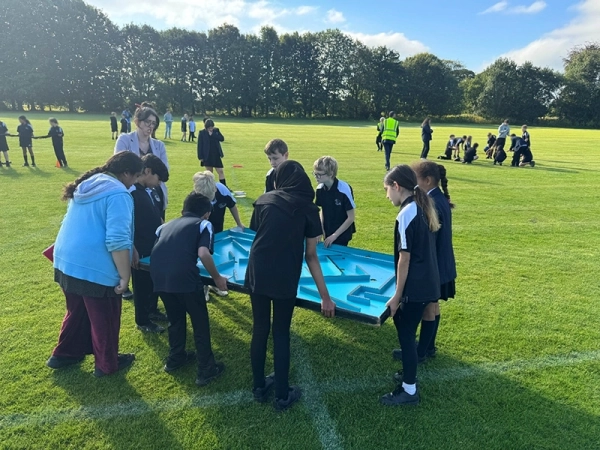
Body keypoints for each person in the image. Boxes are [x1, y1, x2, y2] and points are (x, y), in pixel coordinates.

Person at [246, 160, 335, 412]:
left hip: (257, 271)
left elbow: (259, 236)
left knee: (260, 328)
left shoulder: (263, 200)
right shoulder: (308, 208)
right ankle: (283, 395)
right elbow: (311, 255)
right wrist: (325, 297)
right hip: (284, 274)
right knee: (281, 332)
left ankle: (258, 387)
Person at [46, 152, 142, 377]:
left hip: (66, 261)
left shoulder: (88, 184)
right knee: (105, 317)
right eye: (135, 176)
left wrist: (132, 247)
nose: (135, 182)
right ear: (125, 173)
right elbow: (117, 240)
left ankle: (64, 354)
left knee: (76, 311)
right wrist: (124, 276)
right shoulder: (118, 193)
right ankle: (106, 364)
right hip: (93, 267)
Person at [150, 192, 228, 386]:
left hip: (159, 277)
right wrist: (217, 278)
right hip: (185, 279)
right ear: (207, 213)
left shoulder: (164, 226)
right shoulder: (203, 224)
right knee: (199, 322)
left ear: (183, 210)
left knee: (175, 319)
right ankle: (206, 369)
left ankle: (175, 358)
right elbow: (203, 253)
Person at [380, 164, 440, 406]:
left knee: (405, 334)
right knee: (405, 330)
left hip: (416, 287)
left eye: (387, 189)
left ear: (397, 186)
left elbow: (405, 258)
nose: (386, 195)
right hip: (428, 282)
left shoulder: (406, 213)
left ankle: (409, 390)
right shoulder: (420, 206)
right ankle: (408, 377)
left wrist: (397, 296)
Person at [396, 161, 456, 363]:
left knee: (430, 308)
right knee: (432, 307)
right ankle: (426, 347)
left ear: (427, 181)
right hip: (440, 263)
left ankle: (422, 351)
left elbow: (431, 239)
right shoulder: (438, 198)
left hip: (436, 264)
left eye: (416, 180)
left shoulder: (434, 202)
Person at [131, 154, 170, 333]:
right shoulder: (131, 193)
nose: (158, 183)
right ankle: (143, 320)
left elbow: (157, 214)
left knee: (153, 281)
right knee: (141, 285)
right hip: (140, 247)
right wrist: (133, 248)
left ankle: (152, 310)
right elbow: (127, 224)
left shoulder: (149, 190)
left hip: (153, 245)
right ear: (147, 171)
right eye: (158, 179)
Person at [114, 105, 170, 218]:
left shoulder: (159, 145)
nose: (150, 126)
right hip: (132, 192)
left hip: (155, 193)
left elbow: (164, 170)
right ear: (137, 122)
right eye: (147, 122)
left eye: (153, 123)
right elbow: (119, 165)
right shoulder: (124, 140)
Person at [313, 156, 356, 247]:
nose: (316, 177)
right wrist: (321, 229)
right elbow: (323, 210)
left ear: (331, 174)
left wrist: (335, 235)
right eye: (315, 173)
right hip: (327, 230)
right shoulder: (320, 189)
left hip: (342, 233)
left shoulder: (344, 190)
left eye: (319, 174)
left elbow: (351, 217)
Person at [197, 119, 226, 186]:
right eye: (209, 128)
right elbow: (200, 145)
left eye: (212, 127)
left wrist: (212, 135)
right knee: (209, 173)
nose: (211, 129)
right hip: (207, 155)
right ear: (206, 127)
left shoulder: (216, 131)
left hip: (216, 155)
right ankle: (211, 187)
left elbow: (222, 138)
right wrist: (200, 156)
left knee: (220, 171)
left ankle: (224, 187)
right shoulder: (202, 133)